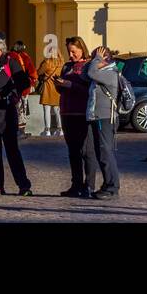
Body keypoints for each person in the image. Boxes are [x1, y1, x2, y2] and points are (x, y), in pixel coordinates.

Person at [0, 37, 33, 196]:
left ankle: (23, 185)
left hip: (6, 113)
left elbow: (23, 82)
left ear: (1, 51)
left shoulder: (10, 63)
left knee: (12, 151)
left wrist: (8, 93)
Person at [53, 36, 98, 197]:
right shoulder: (66, 67)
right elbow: (63, 89)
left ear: (81, 49)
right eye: (69, 52)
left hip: (82, 113)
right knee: (73, 151)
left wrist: (71, 85)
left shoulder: (88, 66)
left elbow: (90, 90)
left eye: (74, 51)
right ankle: (76, 184)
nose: (71, 55)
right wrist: (59, 85)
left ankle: (89, 185)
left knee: (86, 151)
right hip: (67, 112)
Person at [84, 45, 122, 199]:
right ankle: (107, 184)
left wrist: (97, 60)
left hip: (105, 117)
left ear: (104, 59)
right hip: (96, 116)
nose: (93, 61)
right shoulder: (100, 73)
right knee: (100, 153)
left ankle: (113, 187)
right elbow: (85, 75)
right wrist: (94, 61)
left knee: (106, 152)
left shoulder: (111, 73)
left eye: (96, 58)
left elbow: (90, 72)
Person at [37, 46, 63, 137]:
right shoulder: (61, 63)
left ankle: (47, 130)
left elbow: (39, 72)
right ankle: (60, 130)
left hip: (47, 88)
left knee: (46, 110)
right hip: (57, 89)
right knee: (57, 110)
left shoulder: (47, 62)